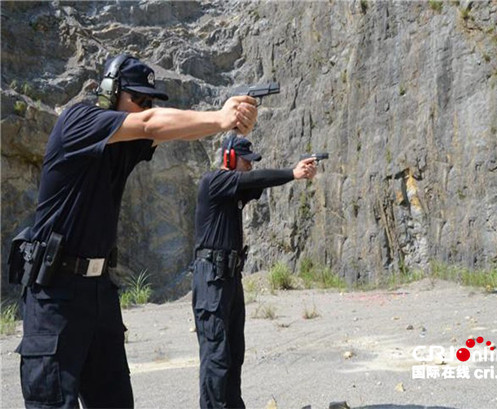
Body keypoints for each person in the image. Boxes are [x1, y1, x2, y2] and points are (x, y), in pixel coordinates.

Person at [11, 54, 257, 409]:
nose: (144, 107)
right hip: (56, 294)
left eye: (148, 101)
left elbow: (169, 130)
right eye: (138, 99)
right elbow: (151, 124)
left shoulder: (123, 144)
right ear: (109, 92)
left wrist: (228, 123)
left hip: (99, 292)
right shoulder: (79, 119)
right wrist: (220, 118)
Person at [192, 134, 317, 408]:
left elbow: (258, 180)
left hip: (229, 279)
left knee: (234, 352)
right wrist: (293, 173)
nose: (249, 166)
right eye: (245, 161)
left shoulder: (232, 190)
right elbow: (254, 179)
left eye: (251, 162)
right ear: (229, 158)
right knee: (216, 354)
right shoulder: (215, 181)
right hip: (211, 279)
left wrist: (294, 173)